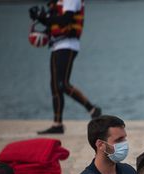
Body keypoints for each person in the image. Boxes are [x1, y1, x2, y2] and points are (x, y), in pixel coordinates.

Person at [29, 0, 101, 135]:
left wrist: (44, 17)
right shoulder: (57, 2)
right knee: (55, 86)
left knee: (62, 84)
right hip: (57, 45)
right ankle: (57, 124)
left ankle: (92, 109)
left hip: (68, 45)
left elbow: (65, 20)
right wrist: (39, 17)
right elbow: (54, 22)